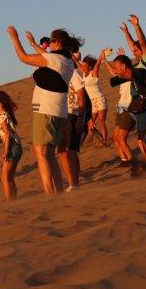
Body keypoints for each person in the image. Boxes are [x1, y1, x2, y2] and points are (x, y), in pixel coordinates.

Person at [7, 27, 80, 196]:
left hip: (46, 109)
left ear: (58, 43)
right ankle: (58, 191)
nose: (51, 44)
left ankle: (49, 193)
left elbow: (23, 58)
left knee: (40, 151)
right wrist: (33, 43)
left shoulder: (55, 59)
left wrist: (14, 37)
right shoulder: (67, 61)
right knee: (49, 153)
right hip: (59, 110)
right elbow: (47, 57)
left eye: (52, 41)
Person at [119, 15, 146, 170]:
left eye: (137, 50)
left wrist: (137, 26)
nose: (134, 52)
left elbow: (141, 43)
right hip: (139, 104)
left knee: (145, 139)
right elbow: (134, 45)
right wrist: (126, 33)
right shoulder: (141, 62)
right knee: (141, 139)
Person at [0, 91, 23, 201]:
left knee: (4, 177)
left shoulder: (1, 116)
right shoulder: (6, 114)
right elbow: (4, 136)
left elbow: (7, 134)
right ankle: (14, 200)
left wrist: (6, 152)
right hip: (17, 146)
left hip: (12, 147)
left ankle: (10, 202)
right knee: (10, 178)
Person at [102, 48, 137, 169]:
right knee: (115, 137)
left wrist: (124, 57)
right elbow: (113, 72)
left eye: (117, 67)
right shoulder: (121, 76)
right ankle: (124, 160)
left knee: (121, 138)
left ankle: (134, 162)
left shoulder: (131, 75)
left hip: (129, 108)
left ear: (124, 66)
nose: (115, 70)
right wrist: (104, 60)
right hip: (121, 107)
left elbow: (120, 70)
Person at [58, 55, 85, 191]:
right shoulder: (59, 76)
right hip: (61, 116)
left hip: (73, 115)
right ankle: (70, 183)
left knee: (70, 151)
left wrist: (80, 117)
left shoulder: (74, 74)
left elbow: (81, 94)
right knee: (62, 152)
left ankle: (74, 183)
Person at [80, 50, 110, 147]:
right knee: (90, 122)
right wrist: (71, 54)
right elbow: (77, 63)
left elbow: (97, 64)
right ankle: (90, 140)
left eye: (85, 66)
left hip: (100, 99)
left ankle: (104, 141)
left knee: (101, 121)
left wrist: (102, 55)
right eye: (83, 66)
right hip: (92, 102)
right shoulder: (84, 73)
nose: (83, 67)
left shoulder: (93, 72)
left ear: (90, 66)